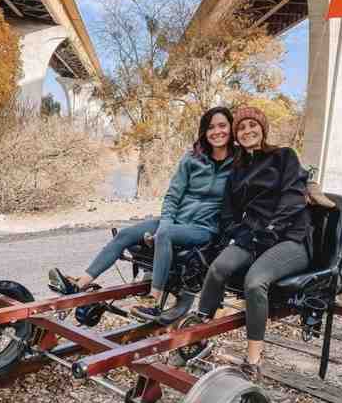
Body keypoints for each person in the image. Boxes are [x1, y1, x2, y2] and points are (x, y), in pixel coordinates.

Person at [48, 106, 238, 322]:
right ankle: (78, 284)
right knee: (125, 235)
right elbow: (173, 196)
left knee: (165, 235)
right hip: (175, 221)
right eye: (211, 127)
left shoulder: (239, 162)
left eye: (222, 126)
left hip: (203, 229)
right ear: (204, 131)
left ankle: (154, 301)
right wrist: (166, 223)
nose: (217, 131)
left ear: (231, 128)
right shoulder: (192, 158)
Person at [189, 106, 313, 383]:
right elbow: (228, 213)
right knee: (219, 267)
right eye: (241, 128)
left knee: (255, 282)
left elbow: (293, 198)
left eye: (252, 126)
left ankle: (254, 359)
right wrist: (239, 233)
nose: (246, 131)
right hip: (253, 237)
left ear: (262, 128)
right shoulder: (238, 170)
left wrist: (271, 230)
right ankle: (199, 331)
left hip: (289, 238)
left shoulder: (283, 156)